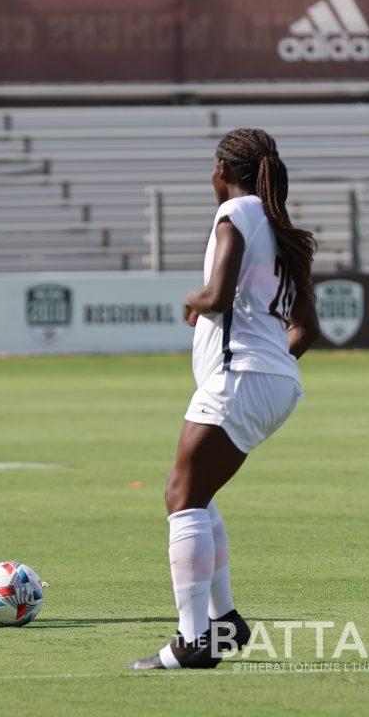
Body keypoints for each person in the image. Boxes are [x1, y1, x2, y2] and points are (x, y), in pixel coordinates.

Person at [130, 128, 320, 670]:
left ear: (223, 170)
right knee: (198, 494)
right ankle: (225, 622)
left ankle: (194, 641)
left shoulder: (236, 214)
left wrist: (192, 300)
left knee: (181, 494)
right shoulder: (283, 229)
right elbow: (307, 330)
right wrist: (271, 366)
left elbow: (216, 295)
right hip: (273, 381)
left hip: (240, 379)